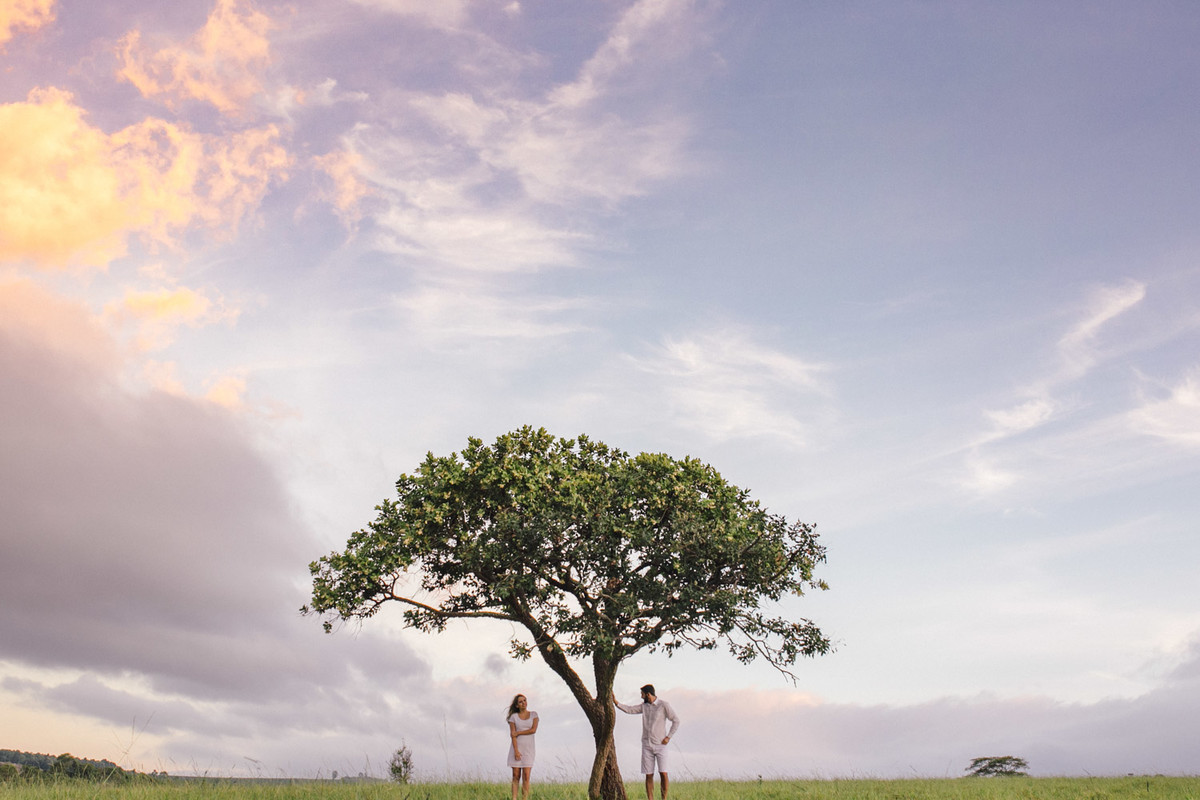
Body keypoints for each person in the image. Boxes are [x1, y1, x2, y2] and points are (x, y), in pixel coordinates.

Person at [613, 684, 680, 800]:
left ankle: (664, 798)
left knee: (663, 773)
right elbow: (630, 709)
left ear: (648, 694)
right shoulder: (644, 707)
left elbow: (676, 720)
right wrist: (616, 702)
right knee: (648, 775)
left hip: (661, 745)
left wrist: (668, 737)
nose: (641, 697)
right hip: (646, 745)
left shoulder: (663, 705)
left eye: (642, 694)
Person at [506, 693, 538, 800]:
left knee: (526, 776)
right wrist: (516, 751)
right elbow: (512, 735)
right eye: (520, 701)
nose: (523, 703)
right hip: (517, 749)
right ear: (517, 705)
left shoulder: (534, 715)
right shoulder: (513, 717)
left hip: (529, 749)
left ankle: (525, 798)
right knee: (515, 775)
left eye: (525, 700)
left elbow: (533, 730)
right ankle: (514, 798)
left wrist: (519, 733)